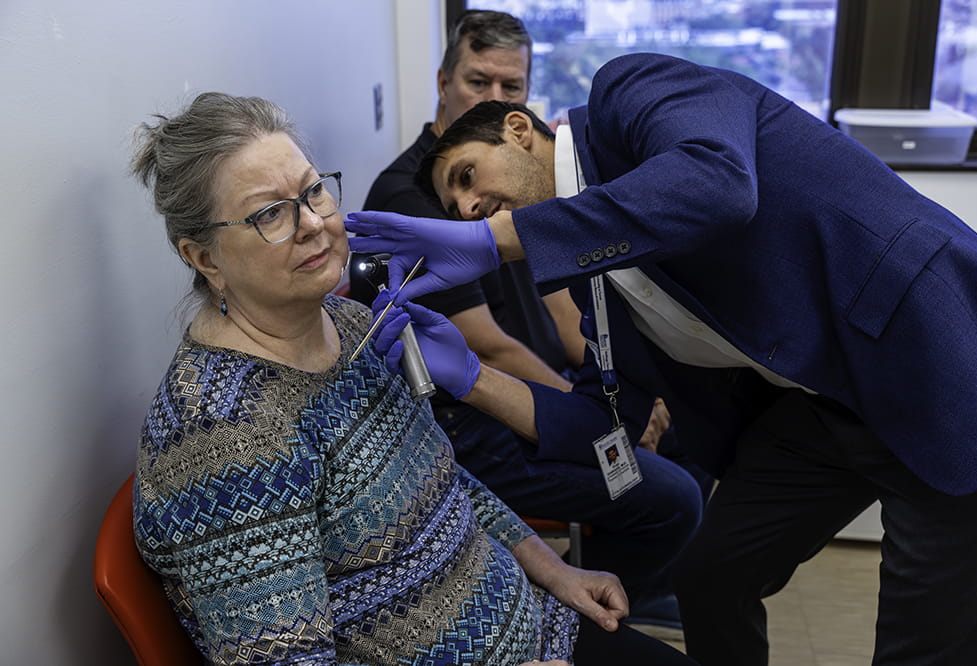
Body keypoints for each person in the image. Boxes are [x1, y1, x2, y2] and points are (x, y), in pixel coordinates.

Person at [346, 52, 977, 666]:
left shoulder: (629, 94)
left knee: (927, 639)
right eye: (454, 207)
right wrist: (470, 375)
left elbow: (719, 186)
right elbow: (605, 424)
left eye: (466, 177)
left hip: (928, 358)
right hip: (822, 407)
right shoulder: (588, 276)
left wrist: (496, 241)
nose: (465, 208)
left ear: (519, 129)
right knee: (711, 576)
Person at [129, 91, 696, 666]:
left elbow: (444, 484)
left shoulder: (349, 324)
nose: (313, 224)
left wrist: (552, 570)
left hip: (539, 625)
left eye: (313, 191)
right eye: (269, 213)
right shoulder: (224, 438)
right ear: (205, 258)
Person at [358, 9, 705, 626]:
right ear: (443, 82)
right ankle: (603, 605)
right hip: (478, 425)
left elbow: (562, 297)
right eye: (476, 81)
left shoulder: (512, 176)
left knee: (694, 426)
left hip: (542, 389)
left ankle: (630, 579)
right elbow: (486, 349)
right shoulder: (421, 198)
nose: (489, 97)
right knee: (672, 495)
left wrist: (617, 389)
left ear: (523, 106)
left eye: (508, 86)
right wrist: (602, 422)